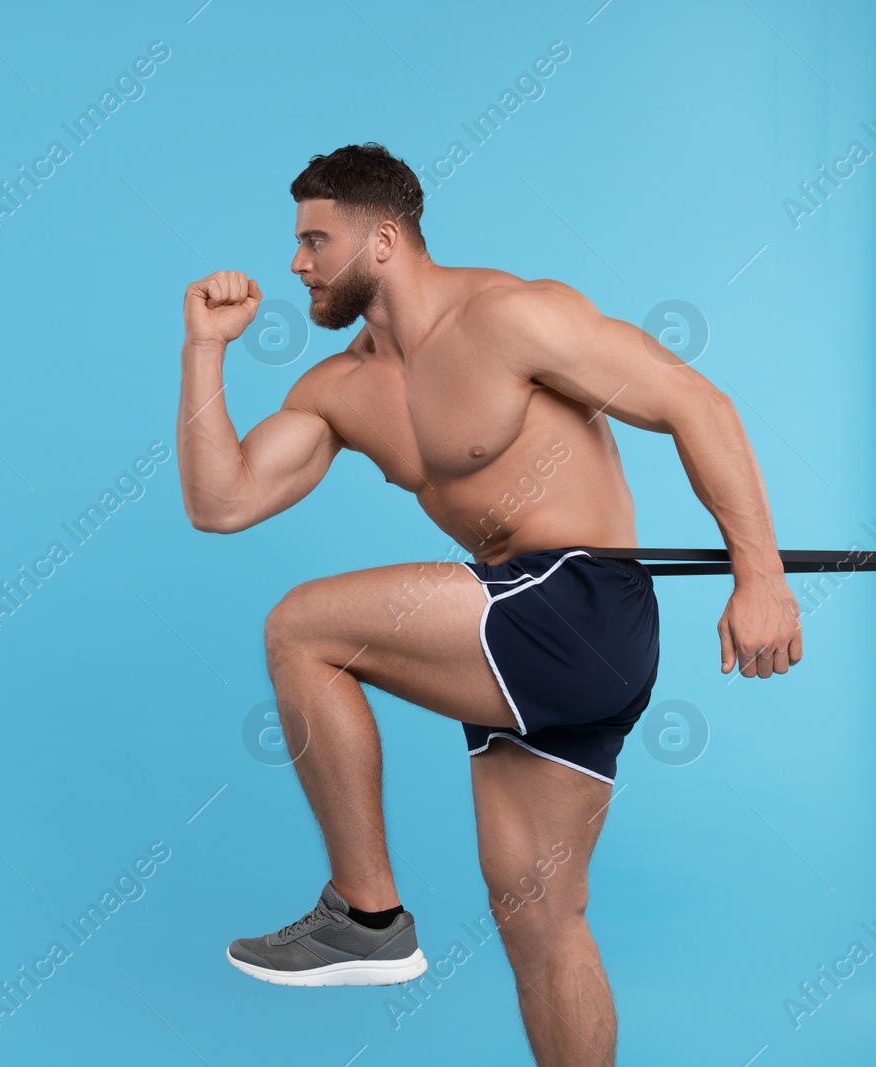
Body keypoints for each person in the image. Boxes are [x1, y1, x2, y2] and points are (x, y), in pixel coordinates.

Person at [175, 143, 802, 1066]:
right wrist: (203, 349)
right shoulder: (340, 390)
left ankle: (366, 913)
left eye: (315, 239)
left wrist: (763, 574)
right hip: (517, 638)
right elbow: (219, 501)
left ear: (383, 239)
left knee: (301, 626)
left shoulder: (511, 316)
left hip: (577, 602)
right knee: (541, 922)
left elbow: (692, 403)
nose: (296, 264)